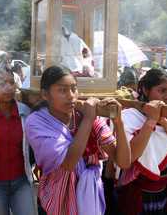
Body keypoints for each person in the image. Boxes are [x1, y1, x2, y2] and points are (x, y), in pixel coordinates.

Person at [25, 65, 131, 215]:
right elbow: (68, 163)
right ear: (45, 95)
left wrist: (119, 123)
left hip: (90, 201)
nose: (71, 96)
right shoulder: (36, 122)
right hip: (56, 202)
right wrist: (88, 118)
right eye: (62, 90)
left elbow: (124, 162)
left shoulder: (88, 117)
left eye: (74, 89)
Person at [117, 68, 167, 215]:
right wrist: (151, 121)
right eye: (161, 91)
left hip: (164, 194)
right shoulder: (129, 117)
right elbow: (130, 156)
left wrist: (163, 121)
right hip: (136, 195)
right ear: (145, 89)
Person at [0, 67, 37, 215]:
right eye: (2, 83)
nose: (9, 87)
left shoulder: (25, 112)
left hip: (21, 182)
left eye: (12, 82)